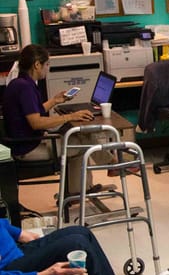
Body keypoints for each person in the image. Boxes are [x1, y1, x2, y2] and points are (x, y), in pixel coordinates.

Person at [1, 44, 110, 195]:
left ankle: (78, 189)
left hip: (21, 142)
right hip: (28, 148)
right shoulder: (26, 88)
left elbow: (33, 111)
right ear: (37, 65)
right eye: (46, 64)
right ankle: (113, 166)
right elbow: (36, 122)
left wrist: (55, 100)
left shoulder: (18, 83)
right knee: (83, 141)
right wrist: (70, 116)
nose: (47, 68)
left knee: (76, 137)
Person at [0, 218, 126, 275]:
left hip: (16, 250)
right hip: (8, 272)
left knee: (82, 232)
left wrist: (18, 233)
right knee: (76, 245)